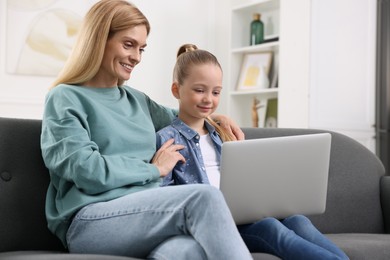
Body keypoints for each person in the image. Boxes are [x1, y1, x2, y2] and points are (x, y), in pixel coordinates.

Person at [40, 1, 253, 259]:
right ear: (98, 39)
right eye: (128, 44)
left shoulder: (137, 101)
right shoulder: (65, 97)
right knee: (203, 198)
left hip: (146, 216)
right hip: (91, 220)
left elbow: (183, 116)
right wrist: (154, 170)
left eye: (141, 48)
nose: (137, 57)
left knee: (187, 251)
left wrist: (216, 118)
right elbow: (86, 170)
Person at [156, 43, 350, 260]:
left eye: (216, 92)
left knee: (298, 220)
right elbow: (164, 200)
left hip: (245, 214)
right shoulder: (167, 139)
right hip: (215, 223)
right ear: (176, 90)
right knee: (270, 228)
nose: (208, 99)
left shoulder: (220, 133)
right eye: (199, 90)